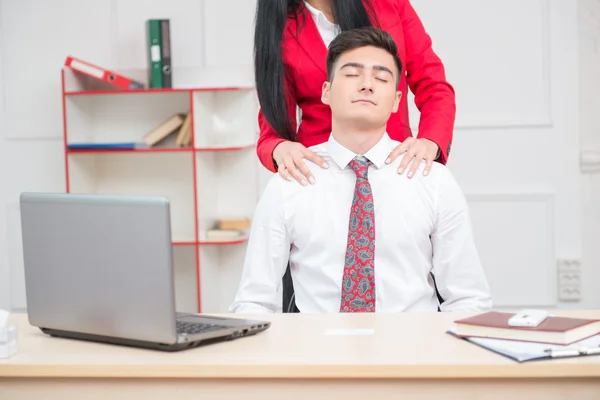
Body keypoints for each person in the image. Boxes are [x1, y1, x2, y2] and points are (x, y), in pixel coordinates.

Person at [230, 27, 491, 313]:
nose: (367, 85)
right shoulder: (291, 182)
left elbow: (468, 300)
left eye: (381, 78)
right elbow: (253, 302)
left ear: (395, 101)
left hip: (415, 350)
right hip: (316, 351)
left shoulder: (432, 181)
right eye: (352, 74)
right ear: (326, 92)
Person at [254, 0, 455, 185]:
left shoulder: (388, 4)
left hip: (396, 169)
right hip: (321, 176)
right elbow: (272, 133)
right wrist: (279, 149)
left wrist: (431, 140)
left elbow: (434, 86)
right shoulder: (280, 30)